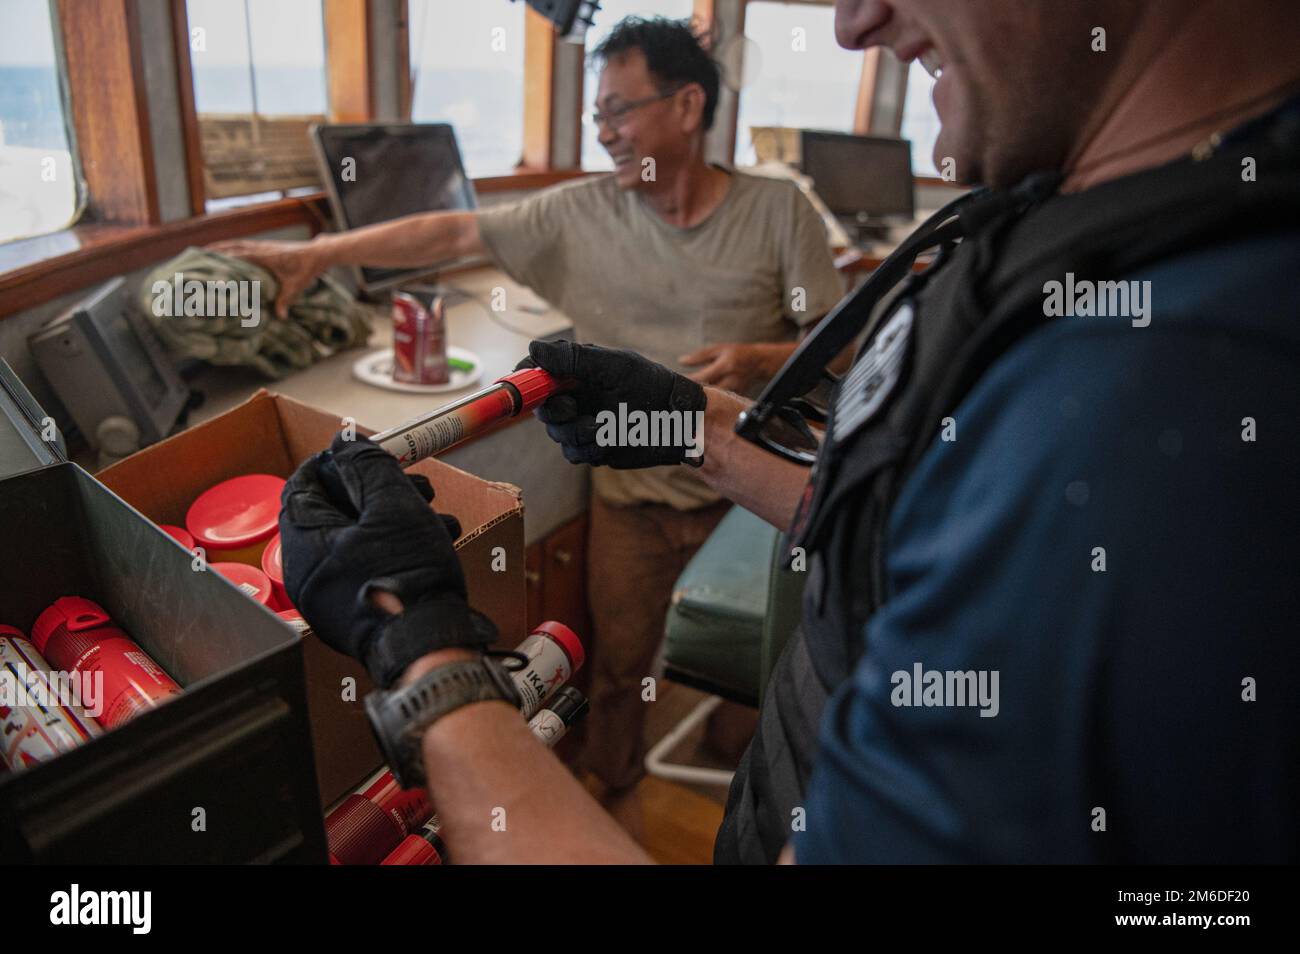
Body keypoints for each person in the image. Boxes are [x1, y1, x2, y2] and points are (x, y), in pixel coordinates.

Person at [278, 0, 1300, 863]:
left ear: (686, 108)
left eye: (619, 108)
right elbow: (902, 537)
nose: (853, 22)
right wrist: (698, 429)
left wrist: (423, 660)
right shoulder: (1081, 225)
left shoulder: (1168, 384)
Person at [218, 17, 843, 825]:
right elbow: (452, 228)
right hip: (636, 498)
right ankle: (616, 785)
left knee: (766, 667)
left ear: (688, 106)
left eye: (620, 110)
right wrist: (319, 254)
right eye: (595, 116)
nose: (604, 132)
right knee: (619, 669)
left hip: (754, 495)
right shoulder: (576, 214)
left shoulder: (777, 209)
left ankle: (733, 752)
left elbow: (837, 339)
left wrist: (761, 359)